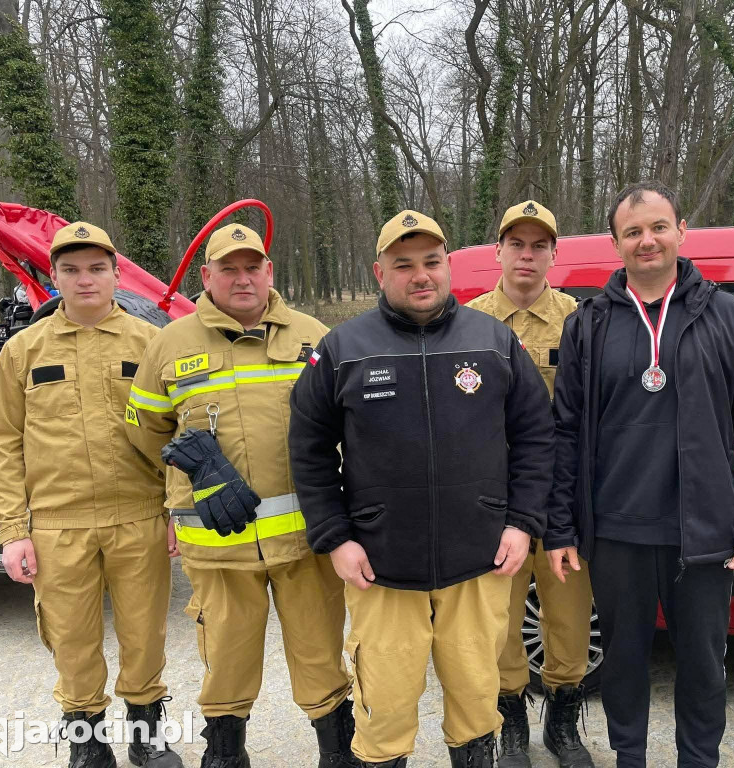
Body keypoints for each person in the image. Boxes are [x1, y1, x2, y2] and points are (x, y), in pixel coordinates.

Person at [289, 209, 555, 768]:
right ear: (378, 271)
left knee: (477, 704)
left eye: (432, 262)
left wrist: (521, 522)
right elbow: (308, 452)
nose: (420, 276)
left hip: (479, 560)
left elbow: (535, 438)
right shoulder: (342, 349)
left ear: (449, 266)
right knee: (383, 712)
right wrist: (337, 537)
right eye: (403, 264)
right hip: (381, 566)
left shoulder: (494, 342)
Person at [544, 181, 734, 768]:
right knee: (624, 664)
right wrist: (558, 527)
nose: (646, 240)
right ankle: (629, 756)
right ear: (615, 243)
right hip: (616, 532)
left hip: (702, 534)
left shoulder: (726, 316)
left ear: (682, 232)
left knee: (703, 666)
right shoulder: (589, 324)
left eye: (658, 227)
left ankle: (698, 760)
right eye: (632, 231)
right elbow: (566, 430)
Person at [124, 223, 357, 768]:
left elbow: (349, 423)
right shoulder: (169, 344)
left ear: (269, 271)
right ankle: (226, 753)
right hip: (218, 544)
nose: (242, 278)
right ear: (207, 277)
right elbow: (145, 430)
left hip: (306, 541)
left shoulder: (314, 337)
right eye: (228, 268)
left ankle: (337, 751)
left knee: (321, 653)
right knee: (225, 656)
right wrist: (189, 464)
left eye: (252, 266)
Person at [0, 222, 182, 768]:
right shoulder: (23, 351)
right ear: (54, 278)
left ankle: (147, 738)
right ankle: (87, 744)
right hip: (57, 524)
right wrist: (13, 532)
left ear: (117, 274)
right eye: (71, 270)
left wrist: (175, 507)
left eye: (97, 268)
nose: (85, 280)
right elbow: (4, 443)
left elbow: (177, 430)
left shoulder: (151, 344)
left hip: (139, 516)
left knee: (145, 635)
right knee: (72, 642)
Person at [467, 200, 594, 768]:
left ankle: (563, 724)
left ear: (552, 255)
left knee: (568, 615)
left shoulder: (582, 321)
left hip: (564, 497)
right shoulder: (466, 322)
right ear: (498, 251)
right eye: (516, 243)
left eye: (538, 245)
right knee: (500, 619)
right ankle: (510, 722)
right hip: (495, 499)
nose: (526, 254)